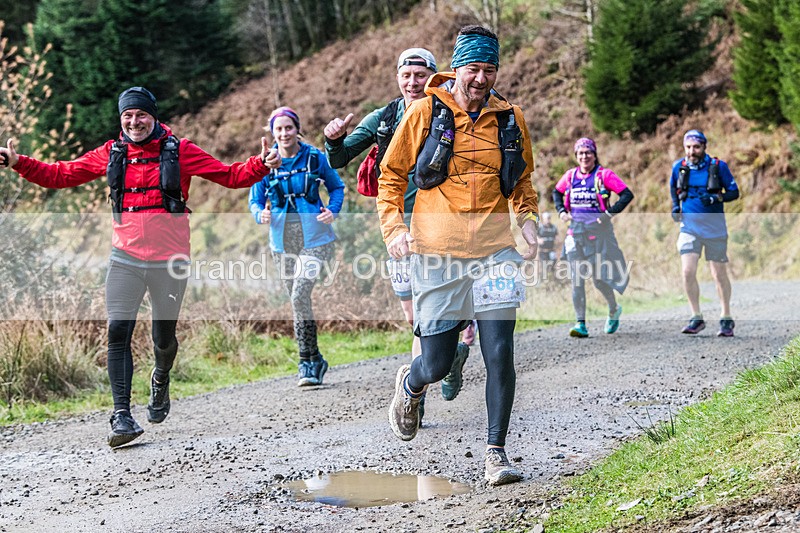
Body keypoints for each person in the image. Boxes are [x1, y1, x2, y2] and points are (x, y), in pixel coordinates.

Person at [0, 86, 280, 447]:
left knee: (163, 338)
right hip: (125, 258)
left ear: (153, 117)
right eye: (128, 116)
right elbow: (61, 174)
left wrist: (261, 164)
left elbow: (229, 176)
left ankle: (161, 376)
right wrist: (18, 162)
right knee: (117, 330)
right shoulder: (111, 153)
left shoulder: (180, 151)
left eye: (141, 115)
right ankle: (122, 416)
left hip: (170, 260)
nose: (134, 122)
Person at [377, 25, 539, 486]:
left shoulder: (510, 119)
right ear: (456, 68)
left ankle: (496, 453)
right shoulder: (425, 112)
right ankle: (411, 384)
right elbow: (391, 177)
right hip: (437, 252)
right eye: (473, 69)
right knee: (437, 363)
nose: (481, 79)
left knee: (499, 351)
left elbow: (522, 182)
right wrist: (395, 230)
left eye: (490, 69)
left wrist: (528, 221)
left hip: (495, 251)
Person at [324, 48, 473, 417]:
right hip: (399, 228)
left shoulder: (450, 112)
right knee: (413, 316)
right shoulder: (384, 118)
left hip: (442, 223)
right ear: (397, 78)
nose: (413, 82)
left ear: (434, 77)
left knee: (430, 314)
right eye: (406, 76)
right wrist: (333, 139)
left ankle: (416, 396)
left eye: (420, 75)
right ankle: (448, 356)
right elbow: (339, 159)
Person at [249, 107, 345, 386]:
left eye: (288, 128)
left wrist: (333, 210)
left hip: (315, 239)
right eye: (278, 129)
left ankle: (305, 363)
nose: (284, 134)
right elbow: (254, 200)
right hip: (281, 243)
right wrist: (260, 214)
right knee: (297, 300)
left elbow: (337, 187)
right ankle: (316, 359)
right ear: (272, 133)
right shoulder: (266, 163)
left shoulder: (314, 157)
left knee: (299, 294)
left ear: (296, 129)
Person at [553, 138, 634, 337]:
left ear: (594, 155)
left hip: (598, 235)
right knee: (577, 279)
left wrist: (607, 214)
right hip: (575, 233)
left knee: (599, 279)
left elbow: (626, 195)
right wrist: (561, 211)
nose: (584, 156)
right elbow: (556, 192)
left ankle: (613, 308)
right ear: (576, 156)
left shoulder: (604, 175)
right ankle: (580, 324)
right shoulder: (570, 176)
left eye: (588, 152)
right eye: (580, 153)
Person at [670, 129, 739, 336]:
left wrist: (716, 198)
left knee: (718, 274)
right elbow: (674, 189)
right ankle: (696, 316)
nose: (692, 151)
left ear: (704, 147)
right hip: (689, 228)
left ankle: (726, 317)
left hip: (715, 229)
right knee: (687, 271)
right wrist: (675, 207)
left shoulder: (718, 167)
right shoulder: (679, 167)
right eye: (688, 147)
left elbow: (734, 192)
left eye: (696, 147)